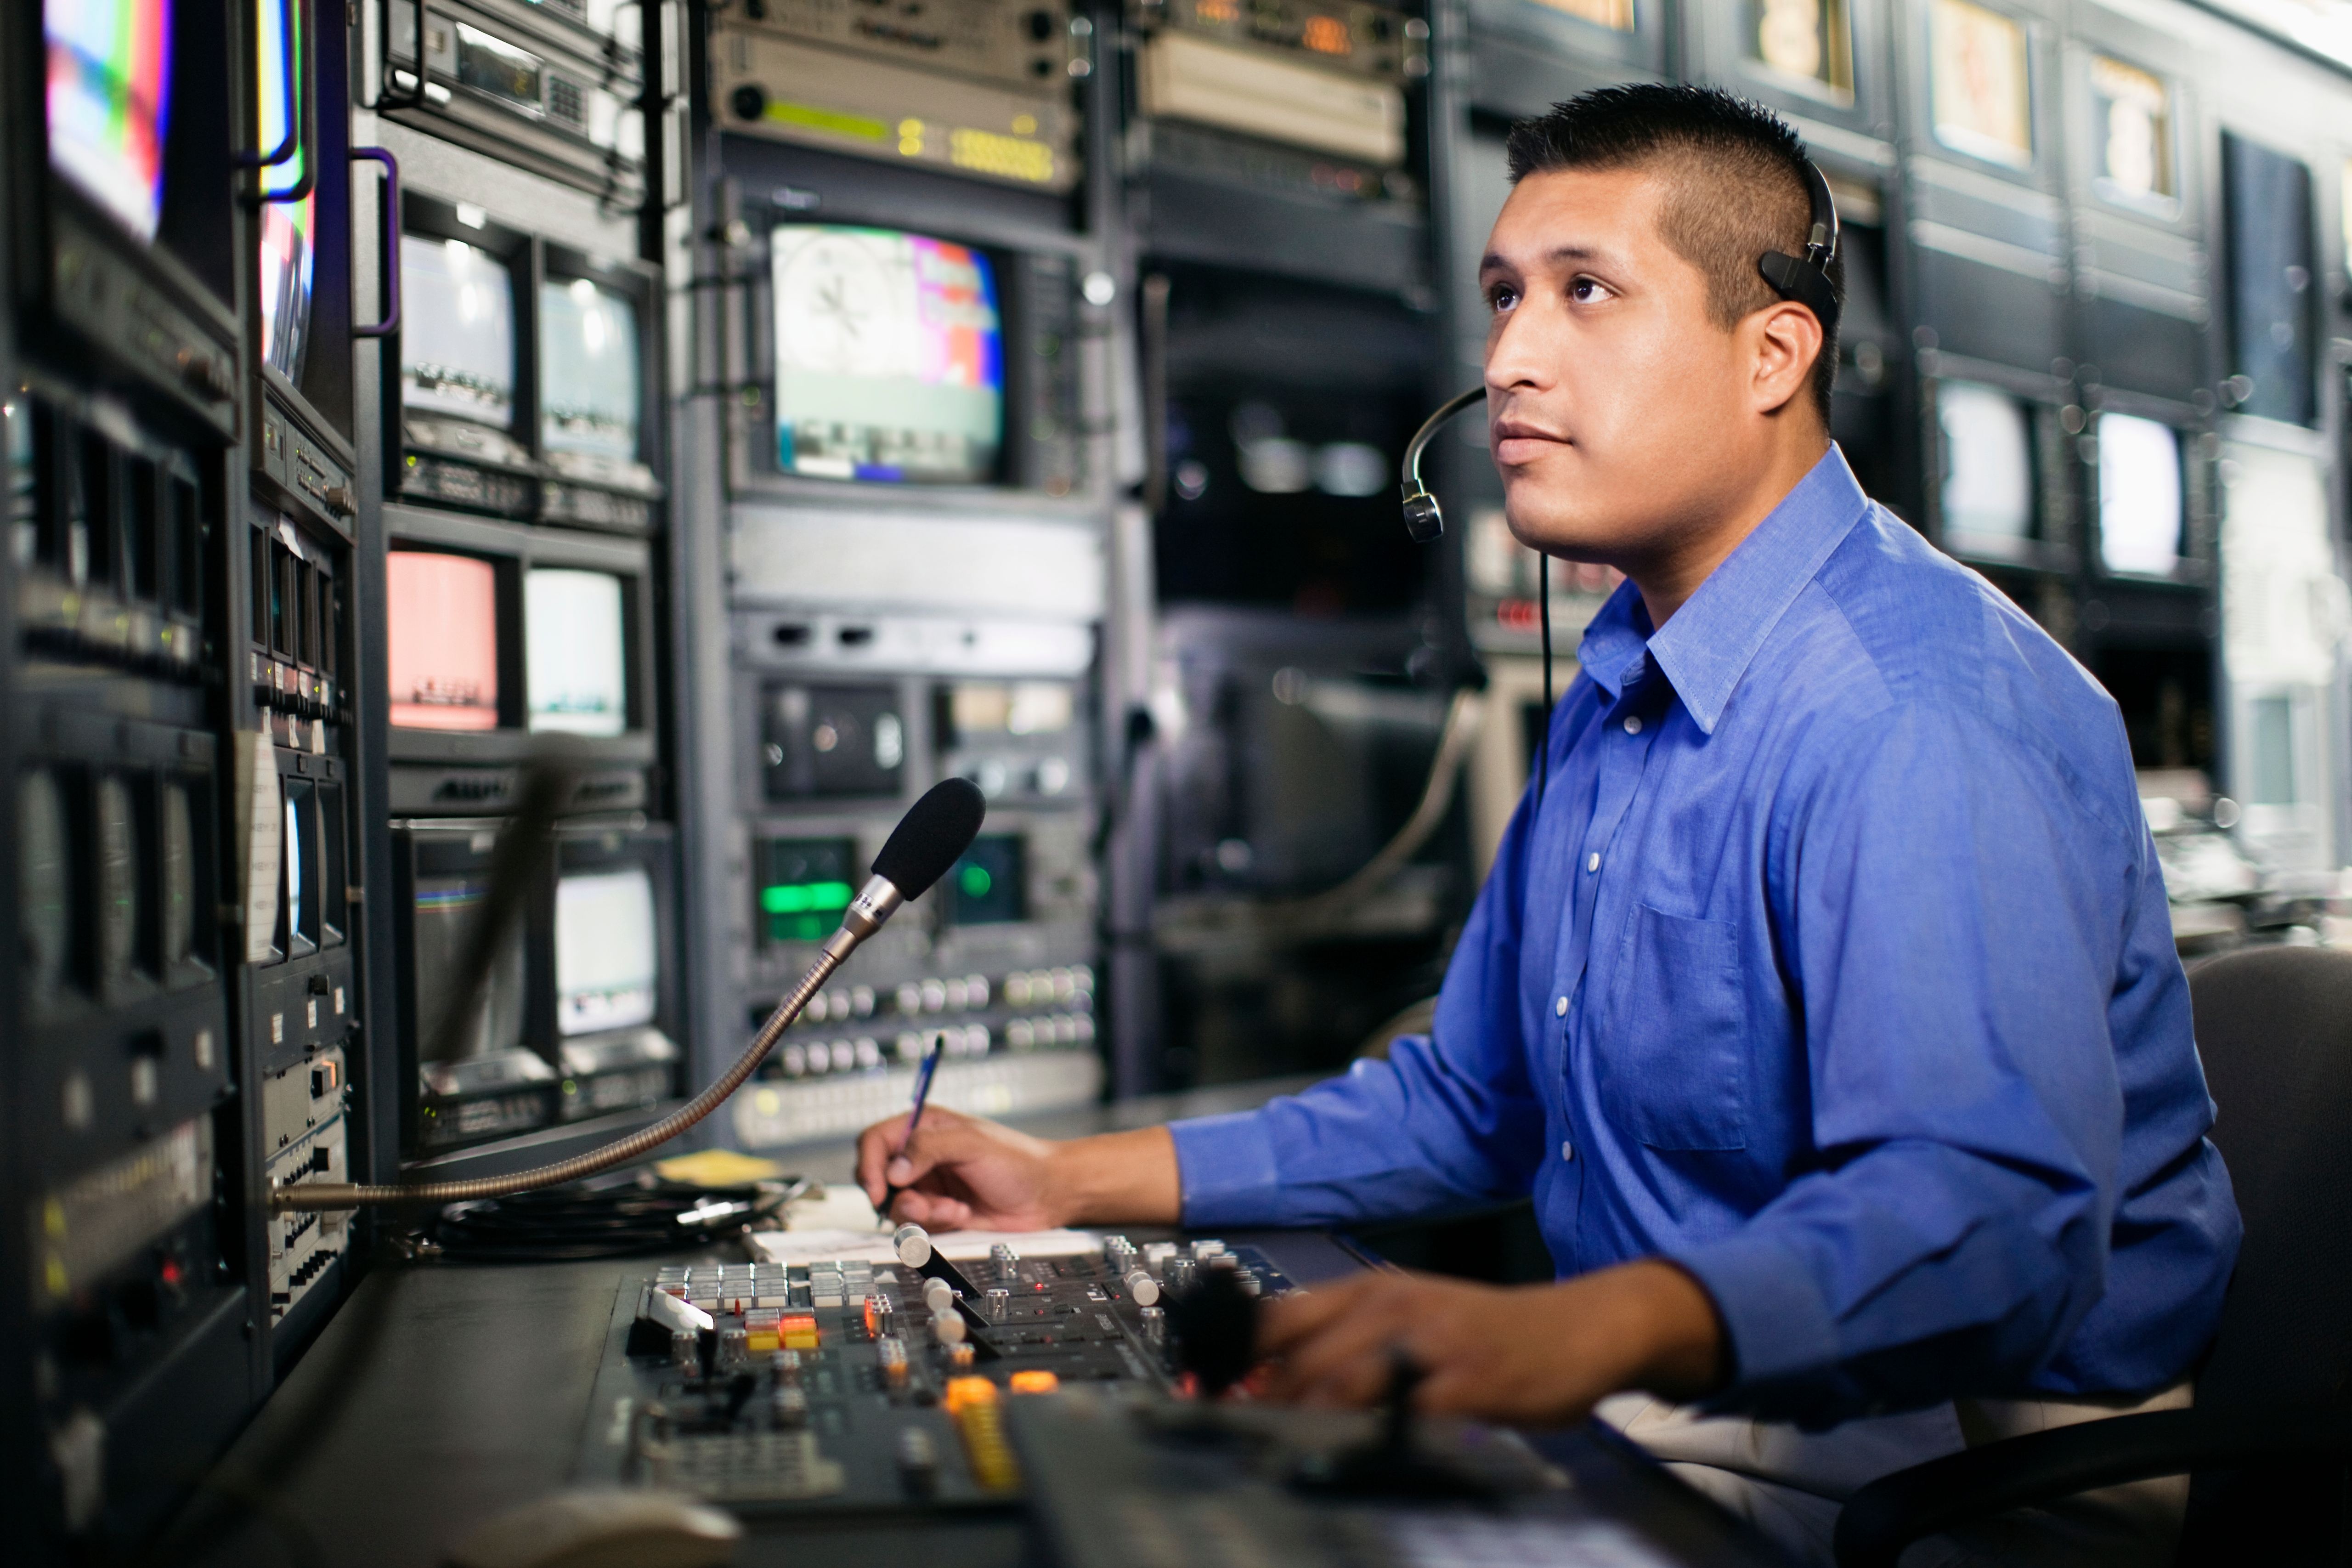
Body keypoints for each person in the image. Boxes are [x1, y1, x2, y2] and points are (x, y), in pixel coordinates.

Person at [857, 84, 2240, 1566]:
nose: (1510, 359)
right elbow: (1476, 1102)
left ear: (1774, 352)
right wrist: (1071, 1176)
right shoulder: (1627, 684)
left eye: (1588, 293)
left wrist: (1559, 1337)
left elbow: (1986, 1232)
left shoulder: (1914, 710)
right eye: (1506, 297)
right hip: (1684, 1403)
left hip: (1952, 1468)